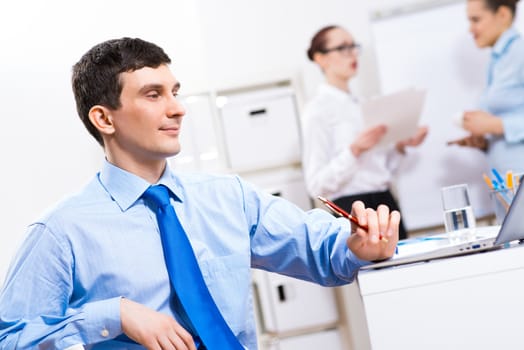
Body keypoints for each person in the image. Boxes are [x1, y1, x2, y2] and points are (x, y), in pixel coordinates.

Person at [0, 38, 400, 349]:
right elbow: (10, 337)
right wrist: (113, 315)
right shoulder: (62, 231)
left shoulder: (228, 197)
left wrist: (359, 244)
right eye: (154, 94)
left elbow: (319, 248)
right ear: (104, 118)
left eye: (175, 91)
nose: (178, 109)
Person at [302, 25, 428, 240]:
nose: (352, 53)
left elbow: (382, 171)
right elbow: (316, 185)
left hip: (386, 204)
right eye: (343, 48)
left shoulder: (365, 105)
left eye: (354, 46)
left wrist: (400, 146)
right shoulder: (317, 111)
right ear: (320, 58)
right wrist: (354, 150)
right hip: (352, 210)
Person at [448, 0, 524, 173]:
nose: (470, 29)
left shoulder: (521, 53)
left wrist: (495, 125)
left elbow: (500, 124)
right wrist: (485, 140)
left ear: (503, 15)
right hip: (508, 184)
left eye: (476, 20)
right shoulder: (497, 62)